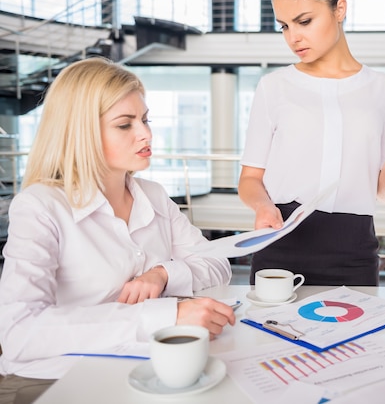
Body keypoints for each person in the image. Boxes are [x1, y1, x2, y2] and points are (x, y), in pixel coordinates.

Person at [0, 57, 236, 403]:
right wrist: (165, 315)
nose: (146, 134)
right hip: (57, 379)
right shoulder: (40, 206)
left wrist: (163, 274)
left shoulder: (153, 195)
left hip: (143, 367)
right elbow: (20, 332)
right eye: (125, 124)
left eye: (145, 119)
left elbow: (218, 267)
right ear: (80, 131)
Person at [238, 0, 385, 286]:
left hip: (354, 254)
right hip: (279, 247)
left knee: (359, 334)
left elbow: (384, 193)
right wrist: (263, 206)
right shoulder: (273, 87)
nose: (293, 37)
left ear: (339, 9)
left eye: (304, 21)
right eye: (284, 26)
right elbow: (249, 179)